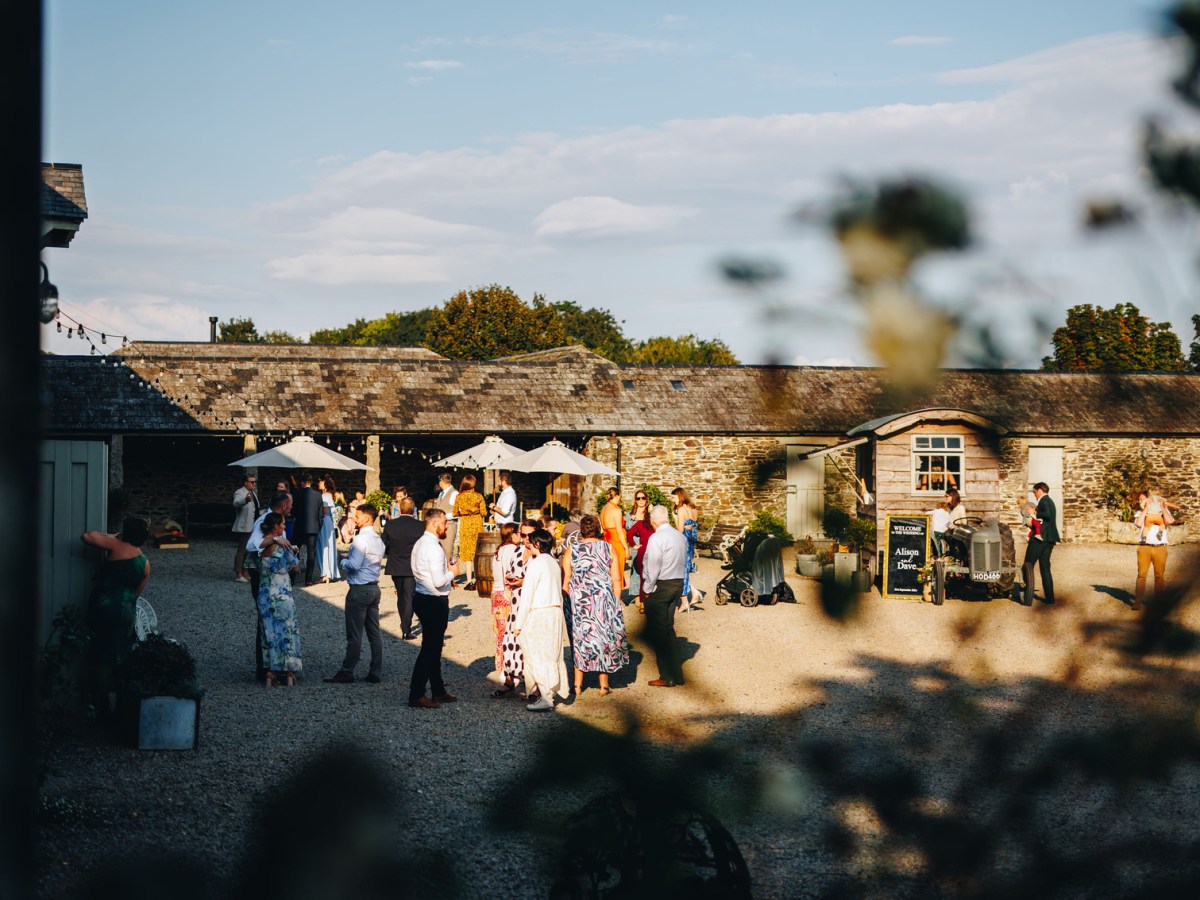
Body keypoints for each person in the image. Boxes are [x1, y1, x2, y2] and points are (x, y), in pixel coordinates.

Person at [82, 517, 151, 721]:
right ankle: (122, 704)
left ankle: (102, 704)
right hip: (126, 610)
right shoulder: (145, 563)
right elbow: (137, 593)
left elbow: (87, 536)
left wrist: (114, 536)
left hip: (104, 606)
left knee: (101, 654)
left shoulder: (116, 545)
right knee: (122, 655)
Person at [562, 514, 628, 696]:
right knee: (602, 638)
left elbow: (566, 579)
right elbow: (616, 579)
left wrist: (565, 600)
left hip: (579, 601)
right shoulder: (608, 548)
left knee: (579, 639)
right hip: (602, 599)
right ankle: (603, 686)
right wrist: (615, 602)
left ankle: (577, 685)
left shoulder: (572, 549)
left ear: (581, 530)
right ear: (598, 529)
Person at [324, 504, 386, 684]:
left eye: (357, 516)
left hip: (359, 590)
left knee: (355, 633)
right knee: (374, 632)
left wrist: (342, 562)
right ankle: (375, 671)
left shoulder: (360, 540)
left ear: (366, 518)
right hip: (374, 588)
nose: (354, 519)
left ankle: (347, 670)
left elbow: (354, 565)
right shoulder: (378, 540)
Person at [513, 529, 570, 711]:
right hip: (554, 611)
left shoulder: (536, 564)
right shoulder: (553, 562)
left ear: (537, 544)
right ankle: (549, 693)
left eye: (530, 541)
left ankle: (546, 696)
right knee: (550, 653)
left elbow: (527, 596)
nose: (527, 544)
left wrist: (518, 624)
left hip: (540, 611)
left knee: (535, 652)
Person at [408, 508, 460, 709]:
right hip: (433, 601)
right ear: (434, 523)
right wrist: (452, 573)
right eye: (445, 522)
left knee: (435, 647)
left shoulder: (420, 544)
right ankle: (416, 693)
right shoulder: (433, 548)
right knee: (430, 649)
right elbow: (438, 581)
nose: (446, 526)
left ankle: (438, 690)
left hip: (422, 596)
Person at [246, 490, 293, 681]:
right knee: (266, 621)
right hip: (264, 578)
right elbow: (251, 545)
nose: (292, 507)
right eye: (291, 504)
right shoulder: (263, 521)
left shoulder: (277, 521)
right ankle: (265, 667)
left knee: (279, 621)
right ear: (283, 506)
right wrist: (274, 540)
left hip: (276, 579)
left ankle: (278, 665)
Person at [641, 504, 689, 687]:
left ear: (653, 520)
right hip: (677, 583)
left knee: (659, 632)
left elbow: (653, 566)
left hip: (662, 585)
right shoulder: (679, 536)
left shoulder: (656, 538)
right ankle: (677, 674)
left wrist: (647, 589)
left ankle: (666, 675)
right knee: (668, 629)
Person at [255, 512, 302, 687]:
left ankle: (270, 672)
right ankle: (289, 672)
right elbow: (295, 568)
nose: (284, 527)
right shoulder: (283, 547)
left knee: (268, 633)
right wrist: (295, 551)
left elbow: (251, 564)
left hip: (265, 594)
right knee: (287, 632)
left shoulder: (260, 548)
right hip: (282, 594)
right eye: (282, 524)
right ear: (275, 527)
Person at [496, 520, 537, 699]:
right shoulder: (516, 552)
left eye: (530, 535)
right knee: (510, 642)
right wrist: (511, 581)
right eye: (523, 535)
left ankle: (533, 687)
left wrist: (524, 581)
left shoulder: (541, 555)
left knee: (529, 644)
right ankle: (510, 680)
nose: (526, 539)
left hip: (532, 605)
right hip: (515, 602)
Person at [382, 496, 423, 640]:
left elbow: (383, 545)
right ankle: (406, 627)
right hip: (413, 565)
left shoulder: (391, 525)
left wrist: (392, 553)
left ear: (400, 508)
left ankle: (404, 625)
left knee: (401, 595)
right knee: (409, 596)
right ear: (413, 509)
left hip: (396, 564)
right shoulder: (420, 526)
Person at [1132, 489, 1174, 611]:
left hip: (1160, 547)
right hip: (1144, 547)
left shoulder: (1164, 510)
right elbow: (1139, 524)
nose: (1141, 501)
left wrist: (1163, 507)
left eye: (1143, 499)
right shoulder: (1140, 512)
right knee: (1141, 576)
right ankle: (1137, 602)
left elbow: (1170, 521)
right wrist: (1145, 509)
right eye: (1140, 500)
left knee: (1159, 577)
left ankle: (1158, 603)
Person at [489, 523, 521, 681]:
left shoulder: (499, 550)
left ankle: (501, 664)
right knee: (510, 630)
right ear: (513, 534)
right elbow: (510, 573)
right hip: (506, 593)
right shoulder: (511, 550)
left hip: (497, 592)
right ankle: (508, 667)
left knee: (500, 631)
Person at [1022, 482, 1060, 605]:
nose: (1034, 495)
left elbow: (1047, 515)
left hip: (1040, 539)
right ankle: (1050, 598)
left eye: (1034, 492)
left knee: (1028, 565)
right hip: (1049, 539)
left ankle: (1026, 596)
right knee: (1045, 568)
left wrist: (1035, 512)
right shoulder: (1049, 501)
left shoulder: (1045, 501)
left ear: (1039, 490)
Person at [671, 487, 704, 611]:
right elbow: (693, 526)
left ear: (679, 496)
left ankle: (686, 600)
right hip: (690, 542)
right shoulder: (693, 508)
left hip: (683, 541)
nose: (672, 500)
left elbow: (680, 530)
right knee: (683, 569)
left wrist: (674, 518)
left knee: (680, 570)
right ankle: (693, 593)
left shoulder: (681, 510)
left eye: (674, 497)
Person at [453, 474, 487, 589]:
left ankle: (469, 581)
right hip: (476, 523)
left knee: (467, 554)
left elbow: (454, 513)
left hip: (465, 524)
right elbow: (484, 513)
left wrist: (464, 512)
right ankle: (478, 578)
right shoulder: (478, 496)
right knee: (477, 551)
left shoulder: (459, 496)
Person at [291, 472, 323, 587]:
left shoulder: (297, 494)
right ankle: (308, 580)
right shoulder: (318, 495)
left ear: (303, 483)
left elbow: (293, 511)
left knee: (294, 551)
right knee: (311, 554)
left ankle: (292, 578)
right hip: (313, 528)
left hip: (299, 526)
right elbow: (320, 515)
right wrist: (318, 527)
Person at [626, 491, 654, 606]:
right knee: (636, 571)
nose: (641, 500)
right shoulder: (630, 514)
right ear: (635, 500)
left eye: (643, 498)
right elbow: (627, 529)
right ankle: (638, 595)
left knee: (649, 570)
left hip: (648, 543)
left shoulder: (650, 513)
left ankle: (647, 594)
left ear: (646, 499)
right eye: (638, 498)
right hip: (636, 544)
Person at [599, 487, 629, 593]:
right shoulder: (616, 510)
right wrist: (626, 548)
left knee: (609, 569)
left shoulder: (604, 509)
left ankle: (610, 594)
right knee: (618, 570)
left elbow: (603, 529)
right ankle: (617, 598)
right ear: (617, 495)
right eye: (620, 495)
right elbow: (620, 531)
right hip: (616, 541)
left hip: (607, 540)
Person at [231, 473, 259, 583]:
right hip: (245, 527)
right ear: (245, 483)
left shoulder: (253, 493)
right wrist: (245, 500)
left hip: (253, 526)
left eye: (255, 482)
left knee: (248, 550)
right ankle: (238, 573)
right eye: (252, 482)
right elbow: (236, 503)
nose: (254, 484)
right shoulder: (240, 492)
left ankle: (245, 571)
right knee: (242, 550)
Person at [316, 475, 340, 583]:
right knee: (327, 545)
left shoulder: (325, 495)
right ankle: (327, 572)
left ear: (324, 483)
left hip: (324, 521)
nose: (318, 483)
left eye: (320, 482)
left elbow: (324, 510)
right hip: (328, 521)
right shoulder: (329, 495)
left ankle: (325, 573)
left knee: (323, 545)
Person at [434, 472, 459, 572]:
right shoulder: (441, 493)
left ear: (441, 482)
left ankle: (450, 574)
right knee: (439, 550)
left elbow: (457, 512)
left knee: (448, 550)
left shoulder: (454, 493)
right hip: (439, 526)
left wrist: (443, 517)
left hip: (449, 525)